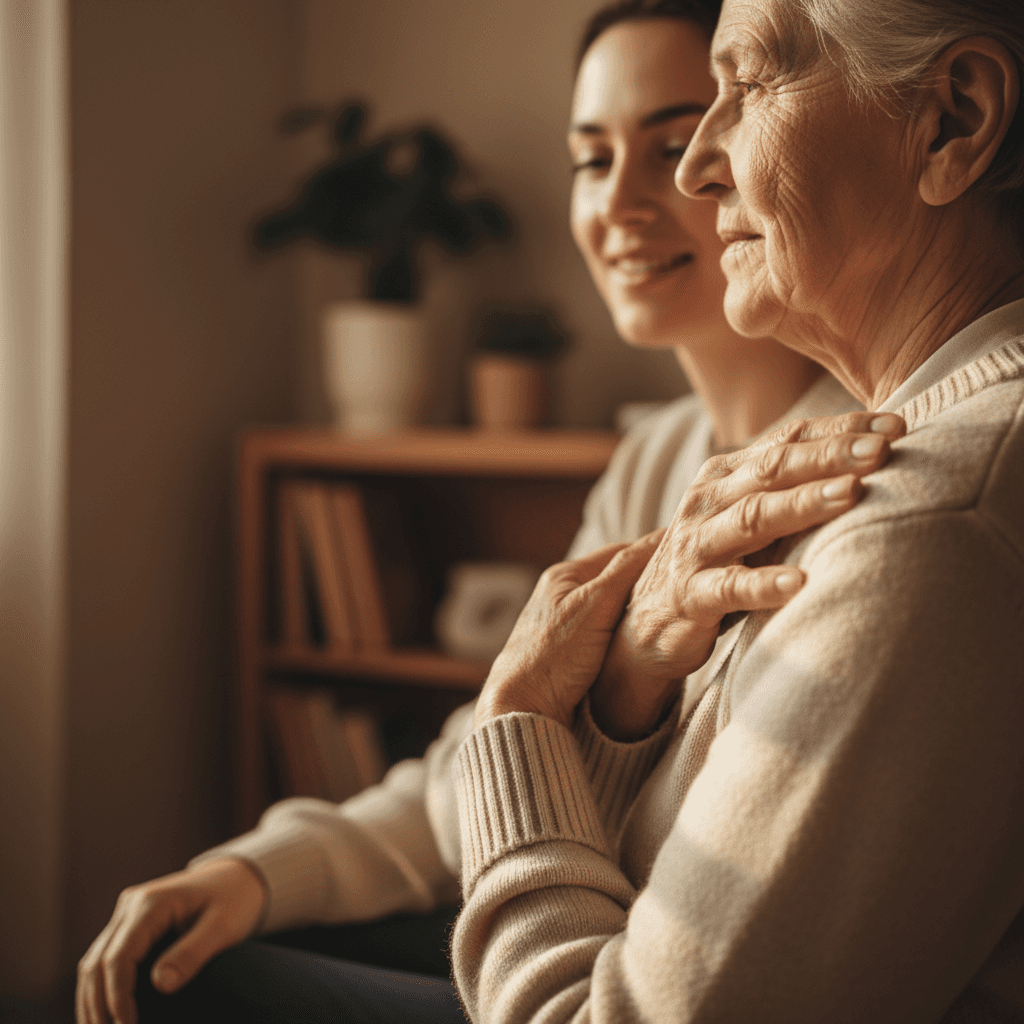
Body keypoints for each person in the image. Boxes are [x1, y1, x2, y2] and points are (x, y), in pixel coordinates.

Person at [75, 3, 897, 1022]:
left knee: (192, 988)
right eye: (591, 159)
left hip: (621, 972)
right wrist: (254, 870)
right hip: (562, 917)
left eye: (676, 144)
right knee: (204, 938)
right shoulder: (654, 457)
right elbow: (496, 751)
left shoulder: (847, 464)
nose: (629, 200)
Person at [451, 0, 1024, 1021]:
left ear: (951, 122)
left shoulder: (930, 527)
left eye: (748, 85)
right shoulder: (898, 466)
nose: (692, 167)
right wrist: (624, 694)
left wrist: (518, 720)